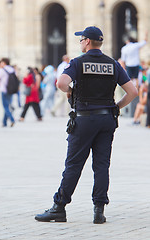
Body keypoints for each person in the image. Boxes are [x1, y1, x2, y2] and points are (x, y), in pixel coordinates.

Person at [35, 26, 138, 223]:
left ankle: (60, 207)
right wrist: (116, 107)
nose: (80, 42)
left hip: (84, 119)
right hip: (107, 119)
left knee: (73, 164)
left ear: (88, 42)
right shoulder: (113, 64)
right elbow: (132, 92)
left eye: (81, 39)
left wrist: (71, 92)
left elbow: (61, 83)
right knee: (101, 165)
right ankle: (99, 211)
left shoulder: (78, 62)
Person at [0, 58, 15, 127]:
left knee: (5, 106)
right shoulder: (12, 69)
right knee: (7, 105)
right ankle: (4, 122)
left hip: (4, 89)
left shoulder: (1, 70)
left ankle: (12, 119)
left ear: (3, 63)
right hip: (11, 90)